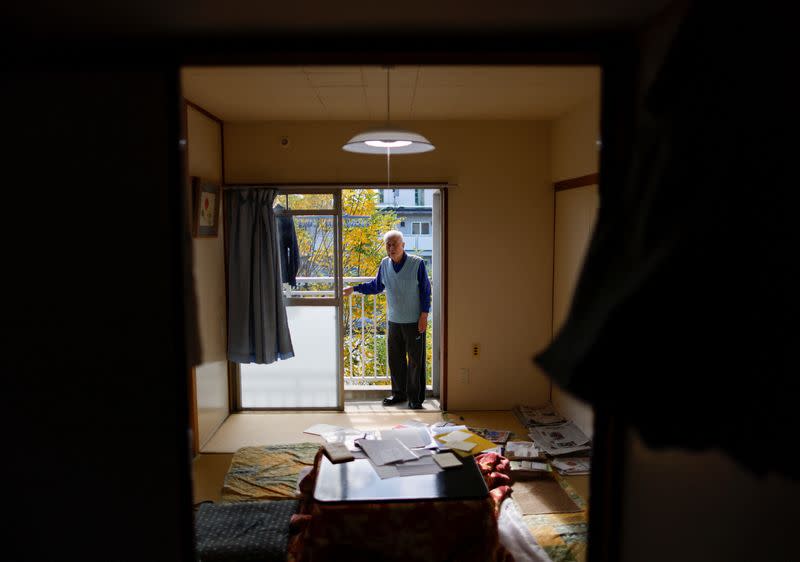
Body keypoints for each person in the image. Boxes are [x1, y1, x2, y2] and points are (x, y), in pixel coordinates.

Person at [343, 230, 431, 409]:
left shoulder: (417, 263)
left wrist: (424, 315)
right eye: (388, 245)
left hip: (415, 321)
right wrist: (354, 288)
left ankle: (415, 398)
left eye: (394, 244)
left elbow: (425, 291)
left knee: (415, 361)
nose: (391, 248)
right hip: (394, 321)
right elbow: (376, 286)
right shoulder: (384, 264)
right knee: (396, 360)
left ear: (403, 245)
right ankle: (399, 394)